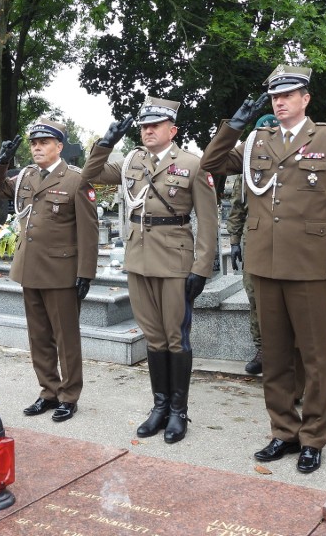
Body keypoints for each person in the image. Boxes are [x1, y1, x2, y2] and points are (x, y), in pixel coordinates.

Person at [201, 65, 326, 473]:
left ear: (305, 98)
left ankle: (313, 438)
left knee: (315, 358)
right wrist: (234, 125)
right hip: (265, 262)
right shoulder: (259, 139)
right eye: (275, 96)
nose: (281, 101)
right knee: (274, 357)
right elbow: (211, 162)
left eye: (288, 95)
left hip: (310, 264)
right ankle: (283, 432)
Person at [82, 98, 217, 444]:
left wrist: (201, 268)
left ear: (172, 130)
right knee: (153, 337)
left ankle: (178, 411)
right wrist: (106, 143)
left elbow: (208, 219)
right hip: (139, 260)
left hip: (175, 261)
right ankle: (158, 407)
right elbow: (91, 175)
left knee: (175, 337)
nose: (148, 130)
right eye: (144, 126)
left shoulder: (192, 163)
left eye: (155, 125)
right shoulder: (131, 160)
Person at [0, 119, 98, 422]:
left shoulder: (75, 178)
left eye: (44, 142)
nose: (37, 147)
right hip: (29, 267)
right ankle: (48, 391)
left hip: (61, 270)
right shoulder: (26, 176)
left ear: (59, 147)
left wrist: (86, 272)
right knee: (39, 336)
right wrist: (0, 160)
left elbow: (89, 230)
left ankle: (69, 396)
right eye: (34, 143)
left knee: (66, 338)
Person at [227, 114, 279, 375]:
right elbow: (238, 207)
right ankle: (262, 349)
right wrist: (234, 241)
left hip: (284, 240)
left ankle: (284, 352)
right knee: (255, 297)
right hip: (254, 240)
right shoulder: (248, 170)